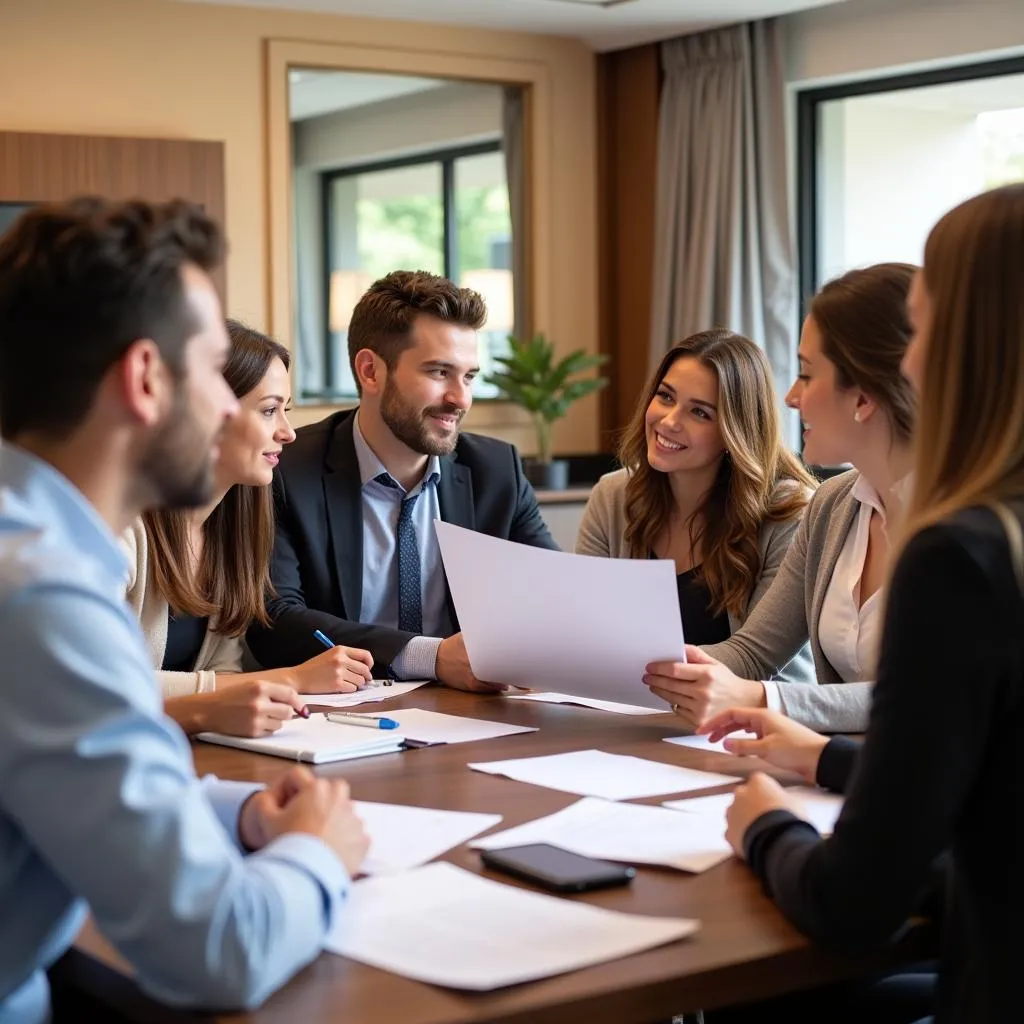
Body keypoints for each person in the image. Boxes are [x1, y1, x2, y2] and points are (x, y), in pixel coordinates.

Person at [0, 197, 368, 1022]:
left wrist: (240, 810)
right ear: (144, 380)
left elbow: (72, 778)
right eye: (212, 369)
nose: (239, 409)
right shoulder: (39, 596)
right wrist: (317, 853)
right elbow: (219, 951)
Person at [704, 183, 1023, 1024]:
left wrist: (765, 826)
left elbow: (855, 904)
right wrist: (825, 759)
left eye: (928, 327)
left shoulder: (962, 556)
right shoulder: (853, 510)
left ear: (964, 346)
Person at [246, 269, 558, 691]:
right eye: (438, 373)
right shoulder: (287, 470)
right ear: (370, 371)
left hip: (475, 714)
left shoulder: (496, 470)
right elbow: (273, 619)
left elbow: (557, 596)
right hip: (340, 717)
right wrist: (431, 657)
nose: (460, 399)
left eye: (468, 376)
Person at [645, 264, 917, 732]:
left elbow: (929, 697)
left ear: (865, 397)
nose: (791, 398)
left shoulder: (971, 525)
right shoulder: (833, 507)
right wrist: (630, 664)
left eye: (807, 376)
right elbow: (751, 652)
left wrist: (764, 699)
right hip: (840, 770)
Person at [126, 319, 374, 738]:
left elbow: (223, 668)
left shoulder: (233, 530)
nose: (288, 432)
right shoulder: (125, 528)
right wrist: (290, 680)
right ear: (209, 413)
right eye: (269, 410)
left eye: (286, 410)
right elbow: (104, 684)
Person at [576, 328, 815, 676]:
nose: (669, 421)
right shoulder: (612, 496)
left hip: (748, 721)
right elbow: (584, 629)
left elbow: (756, 663)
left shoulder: (789, 513)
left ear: (736, 430)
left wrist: (631, 668)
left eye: (700, 413)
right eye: (666, 397)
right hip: (636, 714)